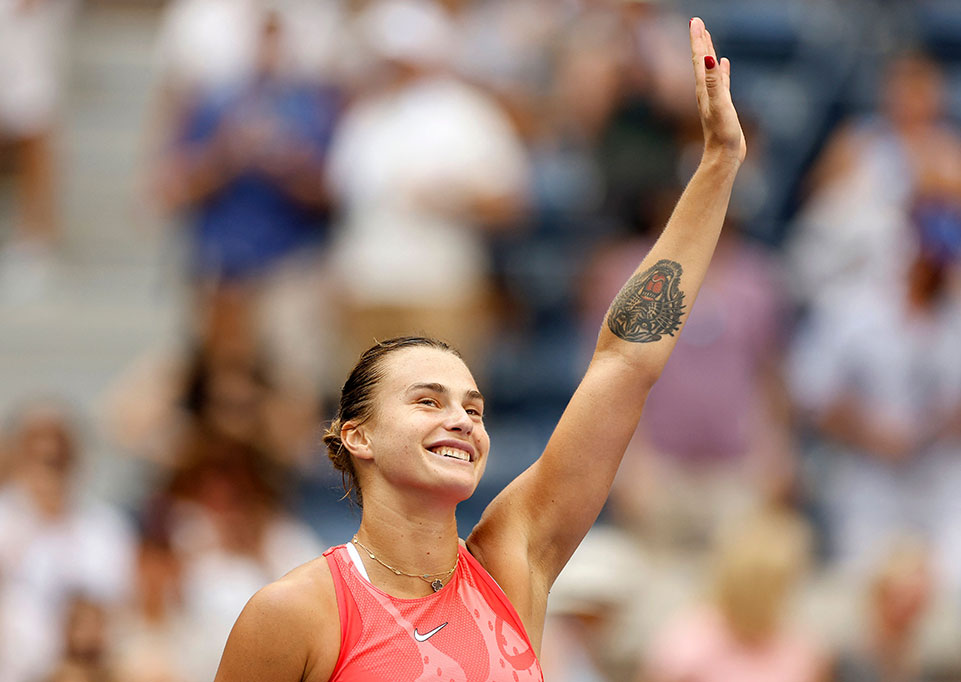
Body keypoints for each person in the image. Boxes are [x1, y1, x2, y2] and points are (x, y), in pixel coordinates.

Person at [213, 16, 745, 682]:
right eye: (428, 400)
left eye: (473, 405)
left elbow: (626, 362)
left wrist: (717, 168)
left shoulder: (513, 563)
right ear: (358, 436)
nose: (461, 418)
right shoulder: (294, 613)